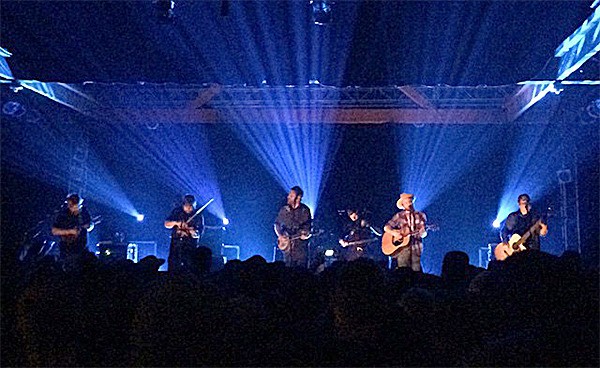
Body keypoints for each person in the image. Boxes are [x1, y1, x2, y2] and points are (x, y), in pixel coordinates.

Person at [383, 193, 427, 271]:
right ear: (403, 204)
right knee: (404, 272)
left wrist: (423, 232)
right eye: (406, 203)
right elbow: (386, 227)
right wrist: (395, 233)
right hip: (402, 249)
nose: (409, 204)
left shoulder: (421, 215)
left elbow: (423, 234)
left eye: (410, 202)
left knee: (417, 273)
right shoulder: (399, 216)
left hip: (416, 247)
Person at [164, 194, 204, 273]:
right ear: (183, 204)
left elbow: (199, 233)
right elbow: (166, 224)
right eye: (187, 205)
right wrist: (176, 223)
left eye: (191, 206)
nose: (189, 208)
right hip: (176, 244)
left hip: (190, 245)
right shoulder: (177, 212)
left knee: (189, 266)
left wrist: (191, 231)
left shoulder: (198, 216)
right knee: (173, 265)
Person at [274, 186, 312, 268]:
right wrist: (280, 235)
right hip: (287, 249)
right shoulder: (284, 210)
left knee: (301, 271)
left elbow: (308, 229)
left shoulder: (305, 211)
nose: (288, 197)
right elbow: (277, 224)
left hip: (300, 250)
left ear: (298, 198)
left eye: (291, 196)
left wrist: (305, 235)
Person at [51, 193, 94, 262]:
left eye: (77, 204)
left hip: (82, 249)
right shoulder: (63, 215)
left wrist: (89, 226)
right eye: (72, 204)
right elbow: (54, 231)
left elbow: (90, 225)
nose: (75, 207)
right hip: (66, 249)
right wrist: (70, 231)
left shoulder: (84, 213)